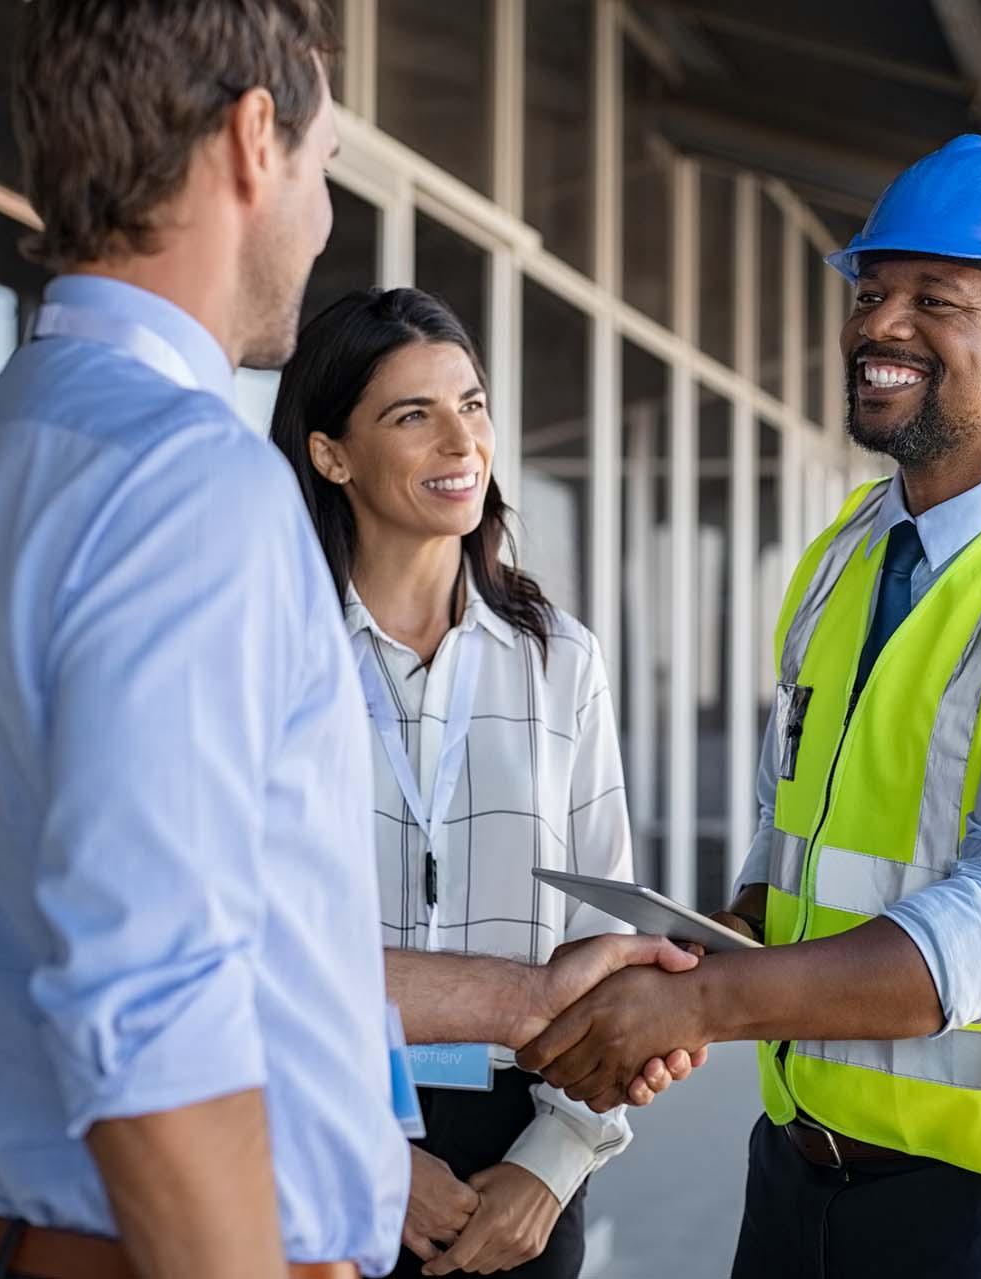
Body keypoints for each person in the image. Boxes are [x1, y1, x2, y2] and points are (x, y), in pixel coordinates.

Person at [0, 6, 691, 1279]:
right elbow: (156, 1012)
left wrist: (527, 1007)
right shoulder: (188, 484)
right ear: (258, 139)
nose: (319, 211)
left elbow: (241, 947)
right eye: (325, 163)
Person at [516, 134, 981, 1278]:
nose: (879, 325)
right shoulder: (846, 554)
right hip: (795, 1180)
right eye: (872, 291)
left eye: (935, 300)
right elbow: (792, 838)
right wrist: (704, 953)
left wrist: (710, 1005)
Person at [269, 288, 657, 1279]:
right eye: (414, 415)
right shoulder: (273, 655)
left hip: (519, 1143)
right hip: (314, 1132)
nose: (461, 440)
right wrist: (369, 1155)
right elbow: (249, 940)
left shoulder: (558, 656)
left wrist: (554, 1161)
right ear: (330, 454)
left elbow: (602, 935)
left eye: (472, 404)